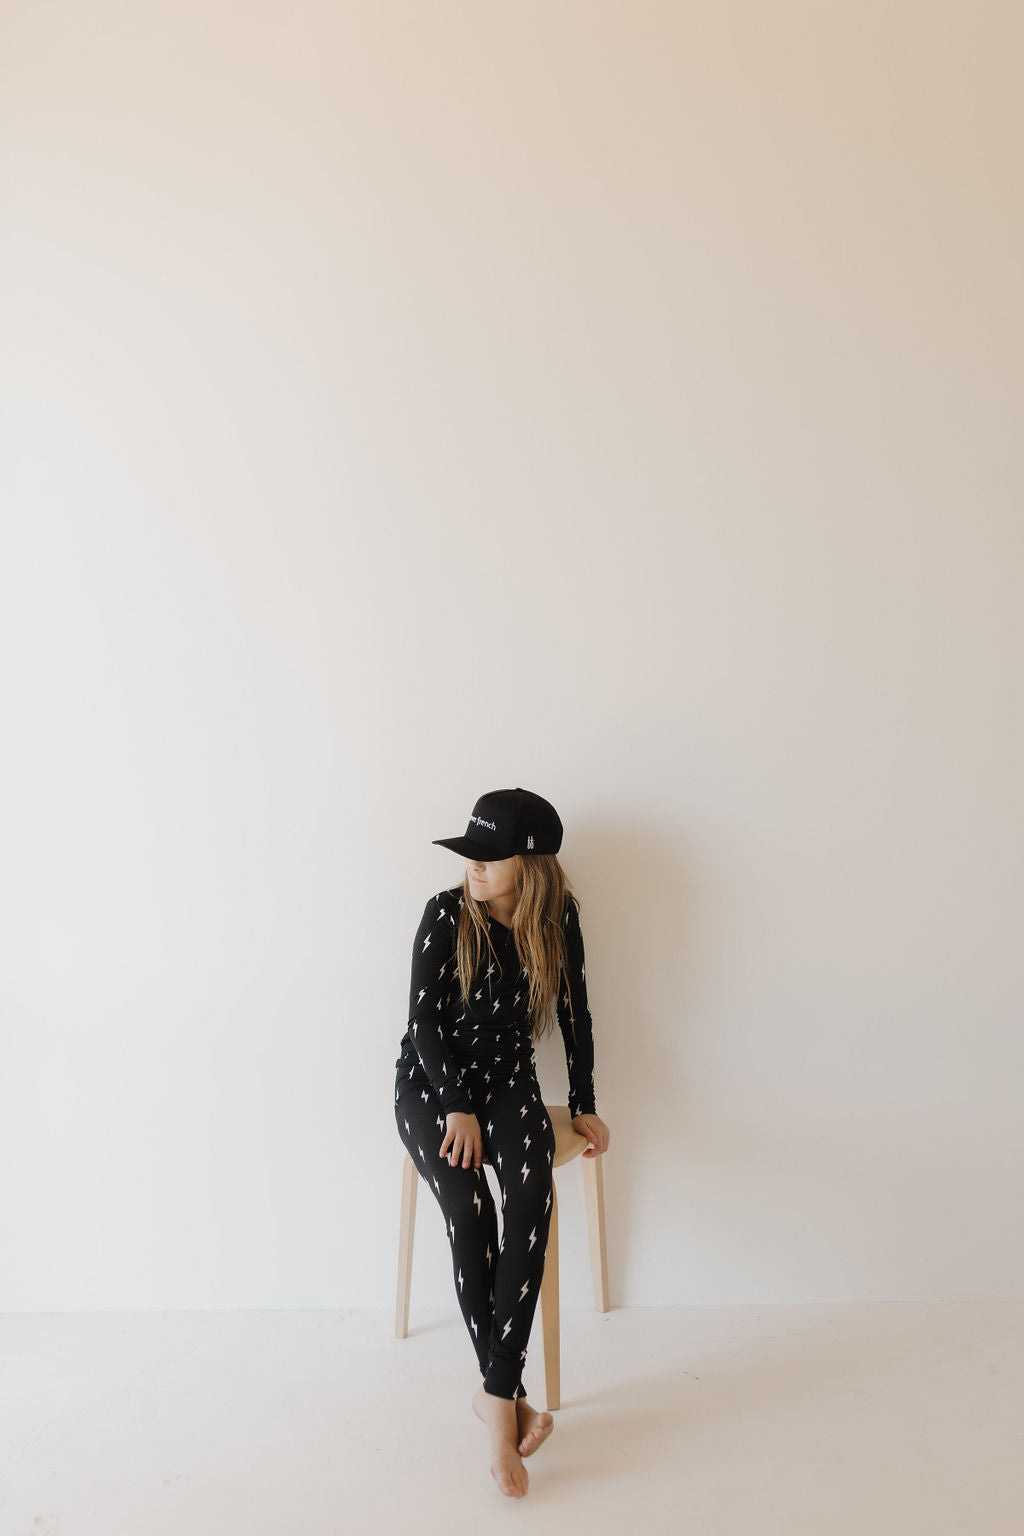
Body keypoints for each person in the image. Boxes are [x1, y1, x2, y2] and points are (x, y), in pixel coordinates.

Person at [393, 786, 611, 1499]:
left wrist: (583, 1104)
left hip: (508, 1080)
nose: (475, 869)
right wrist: (455, 1105)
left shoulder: (558, 919)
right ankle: (504, 1411)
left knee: (531, 1198)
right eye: (471, 856)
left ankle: (493, 1393)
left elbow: (576, 1009)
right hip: (432, 1085)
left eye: (490, 858)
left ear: (530, 864)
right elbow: (422, 1023)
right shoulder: (445, 913)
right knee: (470, 1211)